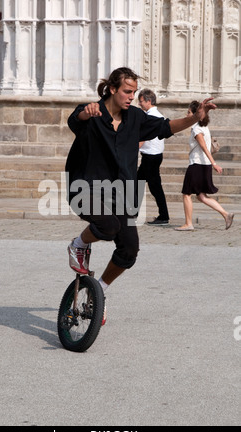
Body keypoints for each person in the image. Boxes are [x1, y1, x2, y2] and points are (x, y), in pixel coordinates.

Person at [66, 67, 216, 324]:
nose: (131, 97)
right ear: (112, 89)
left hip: (122, 191)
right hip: (86, 187)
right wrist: (84, 113)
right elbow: (75, 118)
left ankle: (101, 288)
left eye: (134, 92)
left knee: (130, 250)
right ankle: (78, 244)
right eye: (127, 91)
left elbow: (167, 126)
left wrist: (195, 118)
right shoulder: (91, 112)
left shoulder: (136, 118)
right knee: (108, 225)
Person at [175, 100, 234, 231]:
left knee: (186, 194)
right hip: (203, 165)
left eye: (189, 112)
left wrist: (214, 163)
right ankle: (226, 214)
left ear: (196, 113)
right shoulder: (204, 127)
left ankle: (188, 223)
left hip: (197, 164)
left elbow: (204, 148)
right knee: (201, 196)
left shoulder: (196, 128)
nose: (187, 114)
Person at [137, 88, 169, 225]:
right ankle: (133, 212)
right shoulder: (156, 114)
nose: (139, 104)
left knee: (153, 186)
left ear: (149, 101)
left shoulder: (152, 116)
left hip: (151, 156)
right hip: (152, 156)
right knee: (139, 184)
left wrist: (133, 149)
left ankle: (163, 216)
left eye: (141, 101)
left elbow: (144, 136)